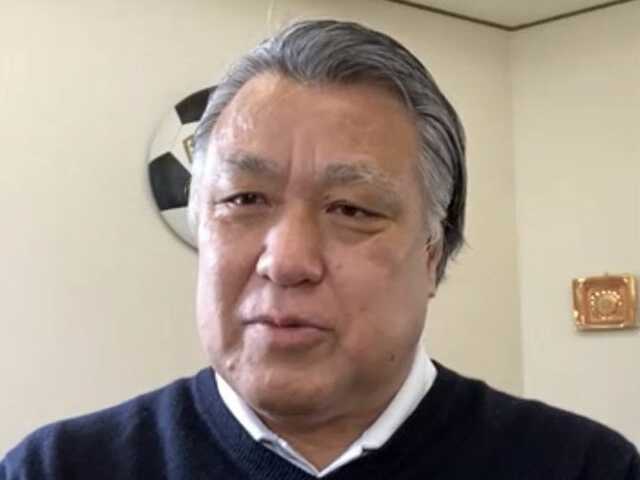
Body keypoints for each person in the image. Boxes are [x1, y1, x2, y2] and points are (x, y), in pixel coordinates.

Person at [2, 19, 638, 480]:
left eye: (352, 209)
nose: (286, 262)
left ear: (432, 252)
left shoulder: (581, 467)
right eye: (244, 199)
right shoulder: (57, 468)